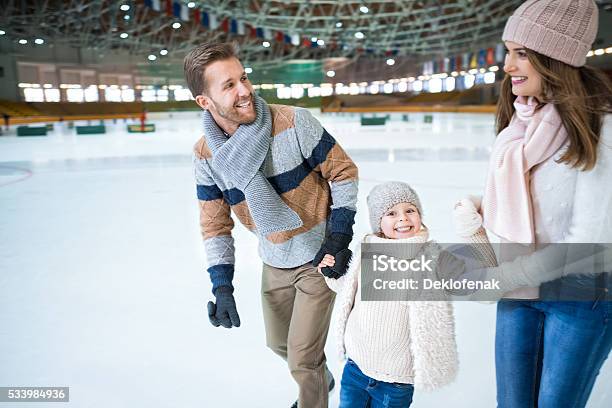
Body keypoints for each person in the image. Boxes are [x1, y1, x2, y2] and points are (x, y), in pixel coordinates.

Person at [183, 42, 359, 408]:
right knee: (279, 344)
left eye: (243, 78)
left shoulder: (293, 122)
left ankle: (312, 398)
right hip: (274, 258)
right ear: (205, 102)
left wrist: (339, 236)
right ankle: (320, 382)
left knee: (302, 359)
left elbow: (342, 172)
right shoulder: (207, 154)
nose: (245, 90)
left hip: (318, 256)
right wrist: (222, 286)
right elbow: (214, 224)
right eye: (228, 85)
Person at [473, 1, 612, 406]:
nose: (507, 65)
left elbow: (589, 238)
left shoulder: (599, 126)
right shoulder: (523, 121)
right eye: (507, 51)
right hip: (523, 287)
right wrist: (482, 205)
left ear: (555, 58)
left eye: (521, 53)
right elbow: (533, 202)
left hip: (582, 293)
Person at [317, 182, 497, 407]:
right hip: (355, 370)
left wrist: (472, 229)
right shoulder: (367, 250)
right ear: (378, 223)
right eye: (391, 213)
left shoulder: (434, 259)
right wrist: (332, 272)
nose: (403, 218)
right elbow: (349, 293)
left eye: (410, 210)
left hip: (395, 383)